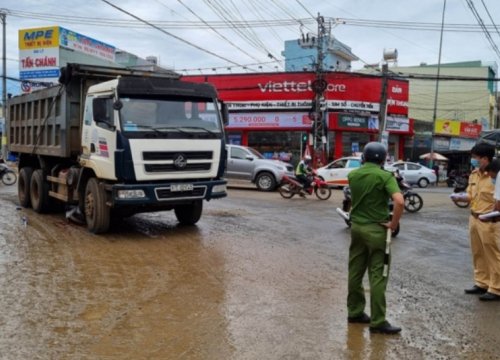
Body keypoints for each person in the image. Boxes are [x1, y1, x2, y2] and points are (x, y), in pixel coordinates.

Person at [346, 142, 404, 334]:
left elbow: (353, 201)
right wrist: (393, 224)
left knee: (355, 271)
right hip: (377, 231)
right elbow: (399, 201)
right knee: (378, 275)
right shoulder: (385, 176)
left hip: (356, 228)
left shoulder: (353, 175)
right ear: (384, 159)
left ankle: (355, 312)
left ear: (364, 157)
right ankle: (378, 321)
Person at [457, 143, 500, 301]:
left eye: (475, 157)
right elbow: (470, 195)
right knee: (478, 253)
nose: (473, 160)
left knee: (493, 255)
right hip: (474, 218)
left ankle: (496, 288)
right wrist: (460, 197)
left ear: (485, 158)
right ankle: (482, 283)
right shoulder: (474, 174)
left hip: (489, 220)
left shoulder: (495, 175)